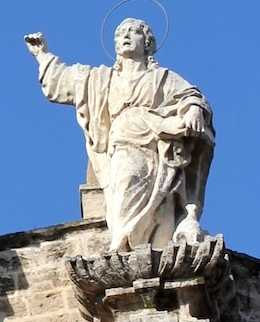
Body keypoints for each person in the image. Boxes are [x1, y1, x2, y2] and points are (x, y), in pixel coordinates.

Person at [25, 19, 214, 253]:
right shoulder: (99, 79)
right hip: (123, 146)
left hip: (158, 152)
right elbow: (64, 81)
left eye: (133, 32)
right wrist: (43, 55)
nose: (125, 36)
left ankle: (151, 247)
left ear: (147, 43)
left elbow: (191, 97)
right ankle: (123, 243)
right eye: (119, 34)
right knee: (126, 182)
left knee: (162, 204)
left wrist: (194, 109)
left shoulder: (164, 78)